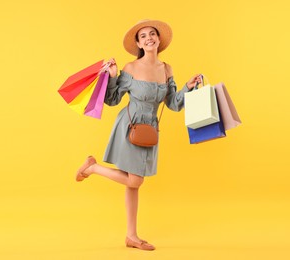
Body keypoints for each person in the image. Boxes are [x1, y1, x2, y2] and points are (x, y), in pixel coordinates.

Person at [76, 19, 202, 251]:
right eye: (143, 36)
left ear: (159, 39)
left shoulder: (167, 69)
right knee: (135, 180)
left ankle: (131, 236)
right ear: (138, 43)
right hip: (130, 127)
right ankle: (91, 168)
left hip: (150, 131)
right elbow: (113, 100)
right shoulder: (131, 68)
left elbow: (173, 104)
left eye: (152, 34)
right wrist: (113, 76)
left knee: (132, 185)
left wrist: (188, 87)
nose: (149, 38)